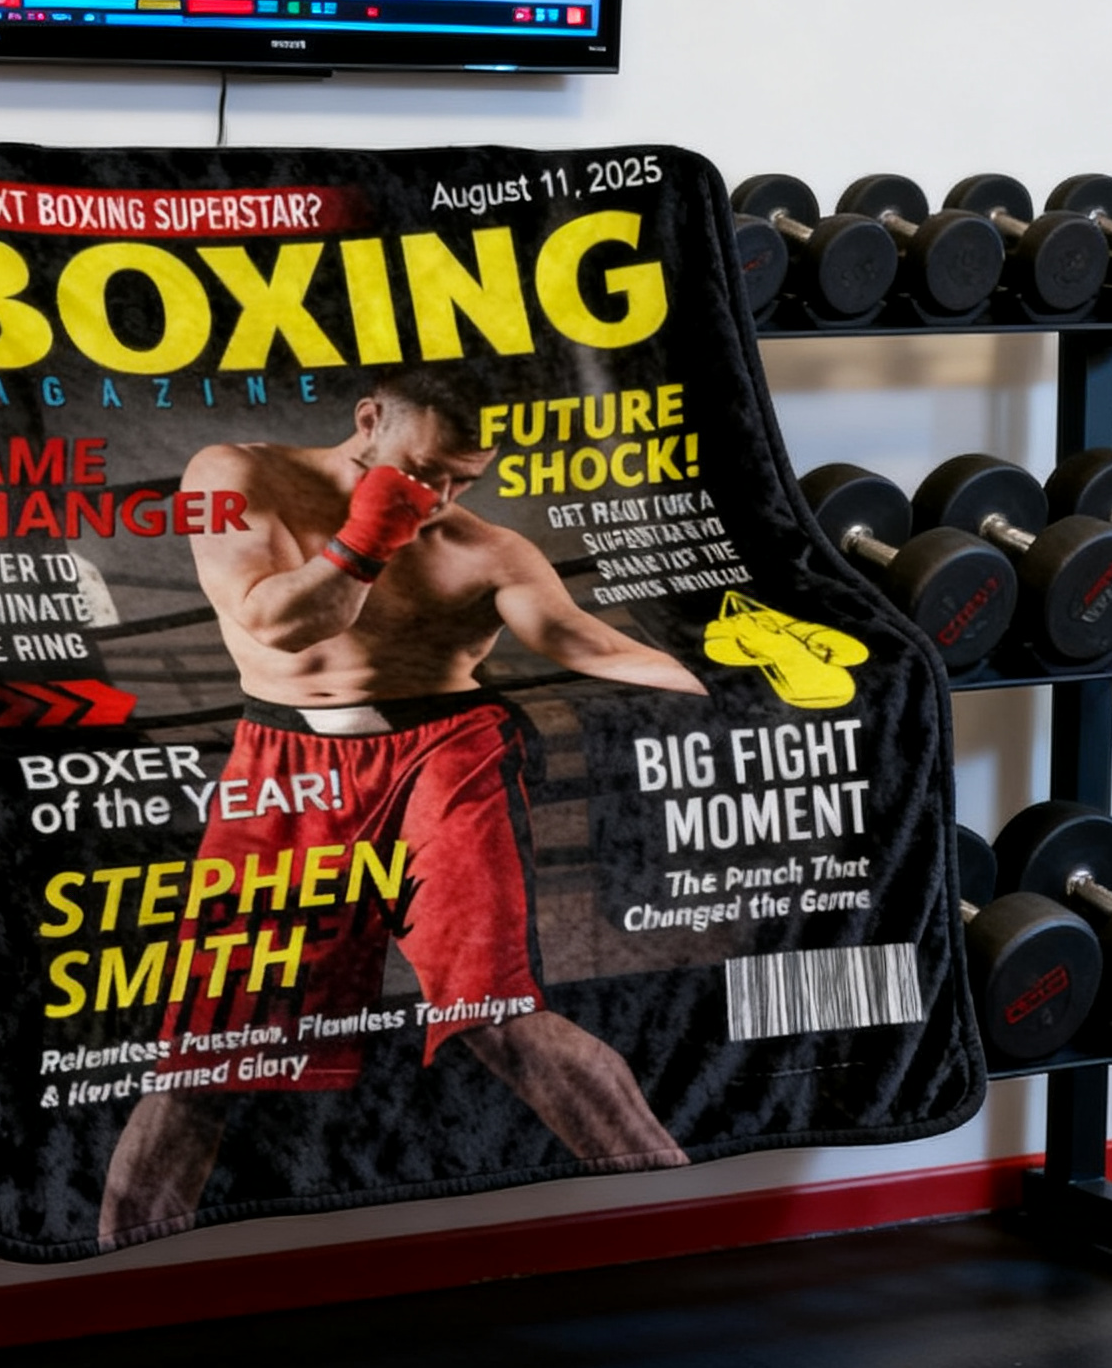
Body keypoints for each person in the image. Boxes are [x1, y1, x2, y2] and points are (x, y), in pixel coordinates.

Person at [98, 369, 707, 1242]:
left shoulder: (489, 550)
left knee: (497, 1015)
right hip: (286, 761)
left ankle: (675, 1213)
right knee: (207, 1056)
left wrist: (730, 690)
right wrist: (370, 532)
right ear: (369, 420)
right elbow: (278, 623)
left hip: (444, 752)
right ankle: (120, 1266)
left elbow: (583, 642)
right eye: (425, 470)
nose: (440, 497)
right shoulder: (235, 472)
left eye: (463, 478)